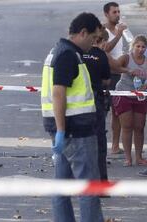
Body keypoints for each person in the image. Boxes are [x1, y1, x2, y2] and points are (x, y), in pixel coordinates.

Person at [41, 12, 103, 221]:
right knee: (88, 187)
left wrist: (59, 131)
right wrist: (61, 129)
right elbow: (59, 92)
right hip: (76, 132)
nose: (94, 44)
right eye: (94, 38)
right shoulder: (68, 54)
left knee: (62, 186)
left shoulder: (57, 51)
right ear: (83, 32)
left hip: (65, 131)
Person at [113, 35, 147, 167]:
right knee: (127, 126)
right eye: (138, 46)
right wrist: (128, 70)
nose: (140, 49)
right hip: (124, 93)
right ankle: (127, 158)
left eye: (143, 47)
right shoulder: (126, 57)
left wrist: (145, 86)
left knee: (139, 127)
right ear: (133, 47)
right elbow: (114, 67)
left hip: (139, 95)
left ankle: (139, 157)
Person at [82, 29, 111, 181]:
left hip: (78, 106)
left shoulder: (76, 54)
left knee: (80, 144)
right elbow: (107, 79)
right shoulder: (100, 55)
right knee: (99, 144)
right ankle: (101, 182)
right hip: (96, 102)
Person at [103, 1, 127, 155]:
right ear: (106, 14)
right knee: (104, 110)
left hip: (120, 74)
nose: (117, 15)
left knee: (117, 112)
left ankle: (115, 145)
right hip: (108, 74)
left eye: (118, 12)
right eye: (114, 12)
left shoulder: (120, 31)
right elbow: (106, 48)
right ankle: (102, 144)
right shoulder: (103, 31)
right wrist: (118, 34)